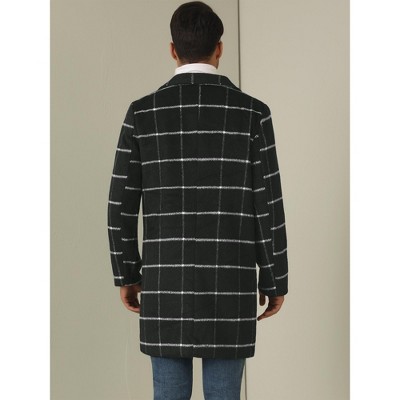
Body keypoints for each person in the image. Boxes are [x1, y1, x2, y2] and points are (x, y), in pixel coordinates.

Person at [107, 2, 289, 399]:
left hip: (165, 284)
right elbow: (268, 205)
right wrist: (274, 278)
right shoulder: (253, 114)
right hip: (231, 285)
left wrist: (128, 274)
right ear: (219, 48)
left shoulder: (142, 114)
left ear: (172, 50)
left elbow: (120, 205)